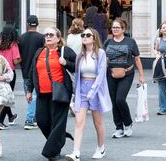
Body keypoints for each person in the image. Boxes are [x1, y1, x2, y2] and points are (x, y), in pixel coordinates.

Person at [27, 27, 76, 160]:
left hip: (60, 92)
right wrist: (29, 90)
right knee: (42, 121)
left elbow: (77, 66)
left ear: (58, 38)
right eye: (46, 34)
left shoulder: (64, 51)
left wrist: (66, 63)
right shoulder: (39, 52)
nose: (48, 36)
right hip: (42, 93)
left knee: (58, 123)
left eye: (51, 34)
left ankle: (51, 152)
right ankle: (59, 139)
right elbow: (33, 72)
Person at [65, 28, 112, 161]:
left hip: (96, 91)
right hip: (82, 91)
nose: (84, 37)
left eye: (87, 35)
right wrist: (75, 95)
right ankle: (76, 152)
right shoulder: (80, 55)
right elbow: (76, 77)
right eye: (83, 35)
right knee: (79, 122)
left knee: (98, 122)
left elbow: (101, 75)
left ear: (94, 38)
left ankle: (101, 148)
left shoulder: (100, 53)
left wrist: (92, 92)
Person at [104, 18, 144, 138]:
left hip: (127, 74)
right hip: (111, 74)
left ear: (123, 29)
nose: (115, 29)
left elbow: (137, 59)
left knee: (120, 99)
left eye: (117, 27)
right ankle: (119, 128)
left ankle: (127, 123)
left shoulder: (130, 42)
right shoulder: (107, 43)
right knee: (114, 102)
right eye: (113, 27)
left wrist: (141, 75)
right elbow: (105, 60)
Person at [18, 15, 45, 130]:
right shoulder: (41, 38)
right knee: (34, 95)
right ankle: (30, 119)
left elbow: (18, 55)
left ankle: (32, 117)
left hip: (25, 70)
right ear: (37, 24)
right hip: (38, 69)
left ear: (27, 24)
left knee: (29, 95)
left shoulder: (21, 38)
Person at [0, 26, 21, 130]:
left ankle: (10, 117)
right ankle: (0, 122)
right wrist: (21, 59)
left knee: (5, 94)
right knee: (7, 96)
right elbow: (15, 61)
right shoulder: (13, 45)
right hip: (9, 73)